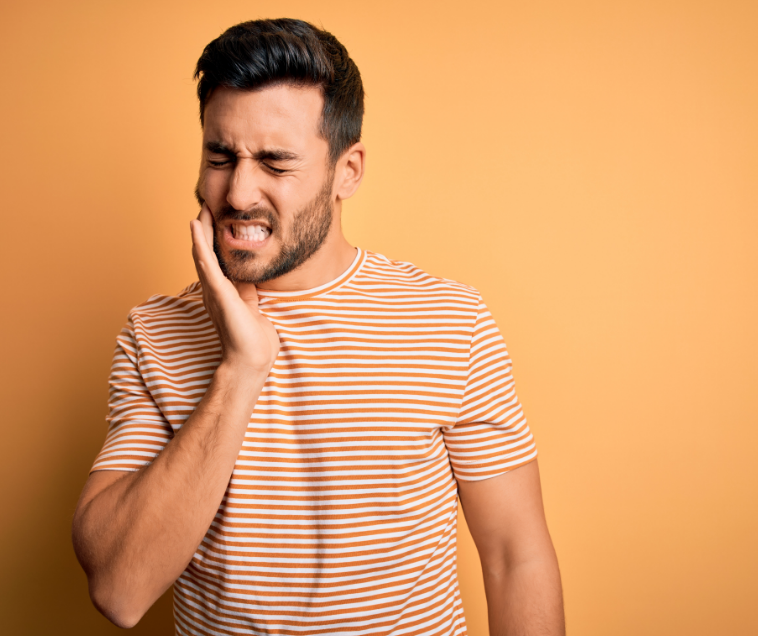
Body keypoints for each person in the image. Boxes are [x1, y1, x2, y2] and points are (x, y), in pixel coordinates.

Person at [72, 18, 564, 636]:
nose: (238, 191)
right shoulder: (155, 334)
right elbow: (119, 587)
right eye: (221, 156)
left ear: (347, 171)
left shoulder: (449, 322)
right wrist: (240, 370)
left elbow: (515, 557)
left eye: (275, 163)